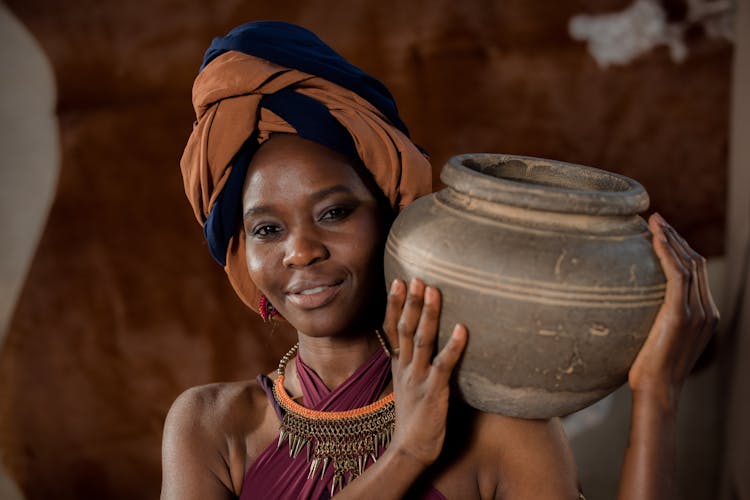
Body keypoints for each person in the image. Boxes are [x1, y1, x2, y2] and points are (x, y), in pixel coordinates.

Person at [162, 21, 719, 500]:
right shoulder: (211, 428)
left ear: (392, 215)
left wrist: (656, 397)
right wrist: (407, 454)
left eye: (334, 213)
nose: (302, 250)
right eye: (267, 229)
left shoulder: (504, 431)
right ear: (242, 252)